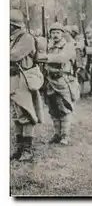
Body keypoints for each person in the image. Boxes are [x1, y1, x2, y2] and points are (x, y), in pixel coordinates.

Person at [10, 9, 44, 161]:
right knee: (16, 115)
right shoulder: (12, 38)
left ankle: (27, 150)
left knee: (26, 113)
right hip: (12, 78)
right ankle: (19, 148)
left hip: (23, 78)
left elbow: (13, 56)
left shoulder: (26, 38)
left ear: (13, 26)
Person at [45, 22, 80, 146]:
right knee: (53, 109)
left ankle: (65, 135)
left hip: (63, 80)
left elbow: (62, 58)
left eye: (58, 33)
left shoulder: (68, 45)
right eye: (53, 33)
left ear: (62, 34)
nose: (55, 35)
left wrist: (45, 57)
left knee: (64, 108)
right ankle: (57, 134)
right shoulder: (48, 45)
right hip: (50, 79)